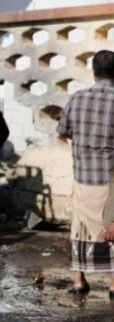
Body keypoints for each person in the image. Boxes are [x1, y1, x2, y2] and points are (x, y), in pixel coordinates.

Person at [57, 49, 114, 300]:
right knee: (109, 228)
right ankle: (113, 283)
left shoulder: (78, 98)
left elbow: (63, 129)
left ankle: (79, 280)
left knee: (80, 228)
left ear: (93, 72)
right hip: (109, 179)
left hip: (83, 176)